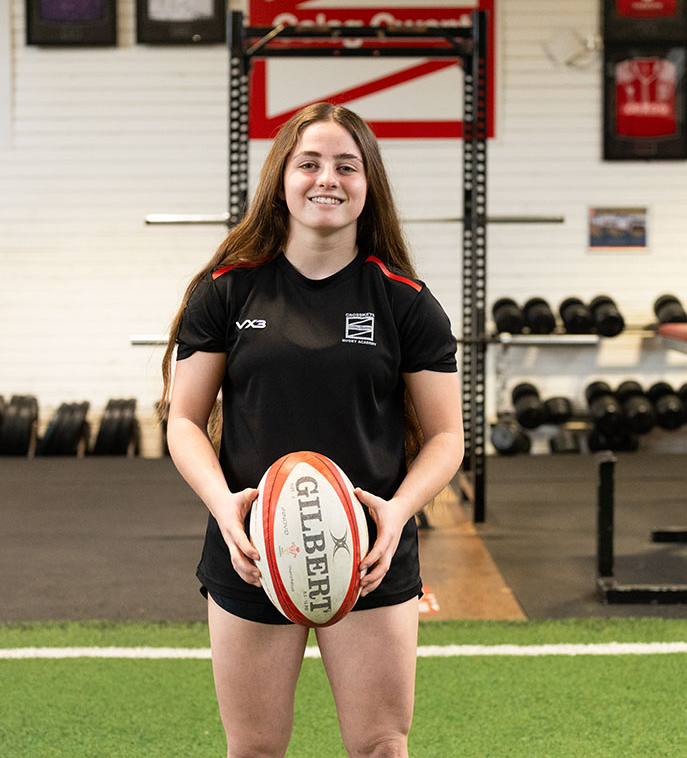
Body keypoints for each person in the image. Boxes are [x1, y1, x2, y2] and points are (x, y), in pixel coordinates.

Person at [160, 102, 464, 758]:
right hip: (252, 548)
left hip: (371, 551)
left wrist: (397, 512)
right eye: (309, 163)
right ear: (282, 179)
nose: (327, 178)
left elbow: (447, 438)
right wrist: (226, 508)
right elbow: (182, 420)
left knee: (381, 746)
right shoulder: (227, 292)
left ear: (368, 184)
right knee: (256, 750)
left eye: (346, 166)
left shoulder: (406, 301)